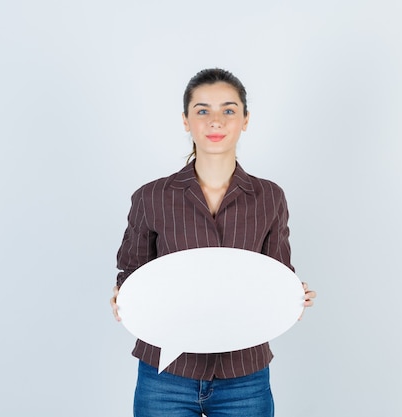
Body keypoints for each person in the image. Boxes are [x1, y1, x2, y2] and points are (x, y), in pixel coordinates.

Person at [110, 68, 316, 417]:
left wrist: (291, 297)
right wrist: (125, 295)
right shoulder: (152, 196)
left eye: (229, 110)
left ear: (245, 120)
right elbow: (132, 270)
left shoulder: (269, 197)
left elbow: (276, 272)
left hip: (244, 374)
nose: (215, 121)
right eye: (202, 110)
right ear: (186, 120)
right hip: (166, 372)